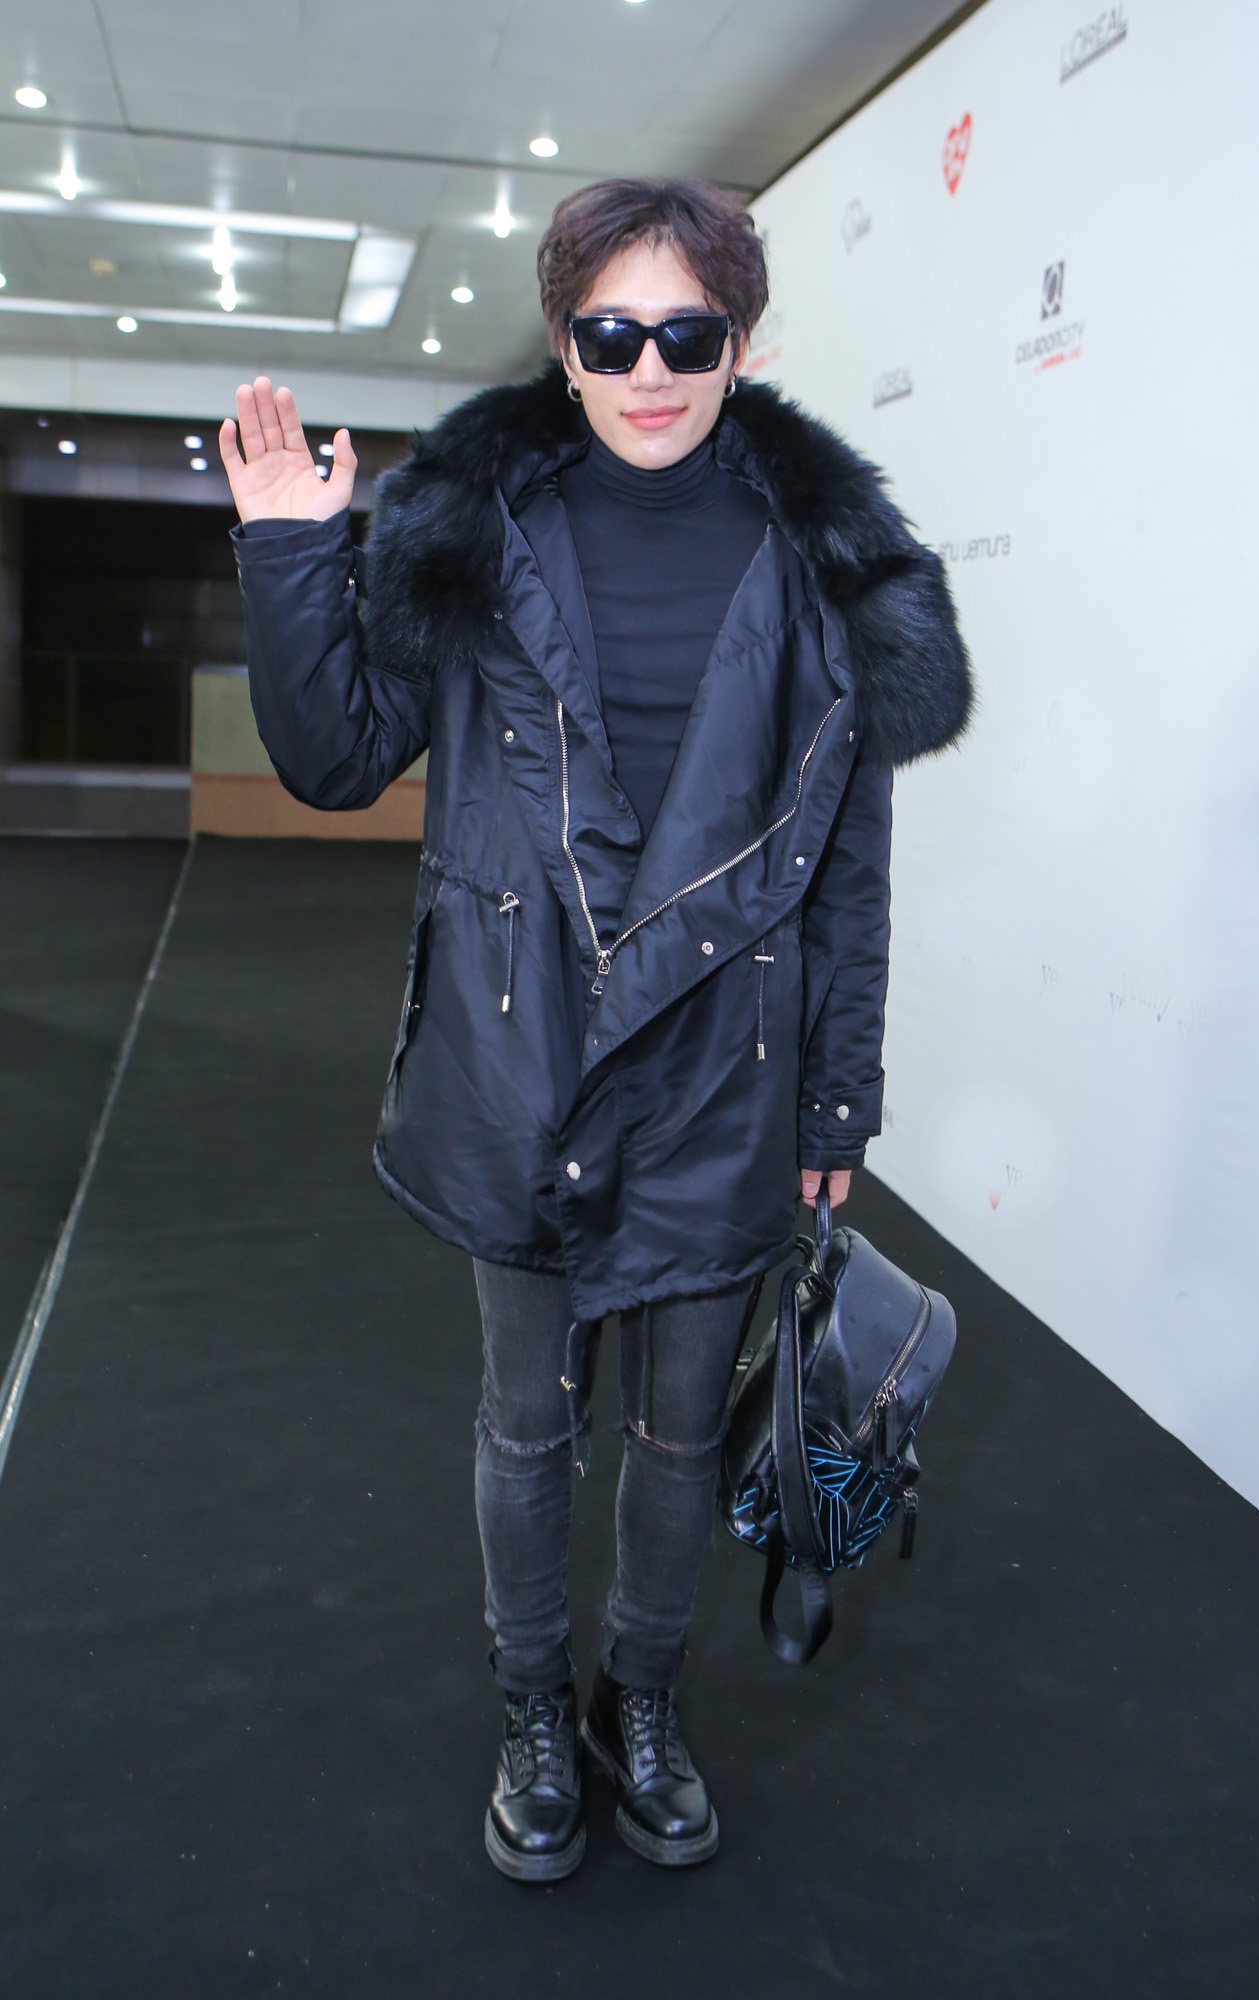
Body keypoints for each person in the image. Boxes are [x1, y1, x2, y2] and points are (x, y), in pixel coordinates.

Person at [220, 177, 971, 1884]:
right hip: (524, 1048)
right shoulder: (471, 527)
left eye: (684, 336)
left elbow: (846, 875)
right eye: (609, 334)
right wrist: (290, 549)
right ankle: (530, 1713)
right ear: (562, 345)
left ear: (741, 342)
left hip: (724, 1060)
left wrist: (835, 1112)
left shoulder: (823, 565)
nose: (648, 372)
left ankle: (641, 1701)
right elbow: (333, 758)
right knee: (525, 1419)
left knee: (681, 1429)